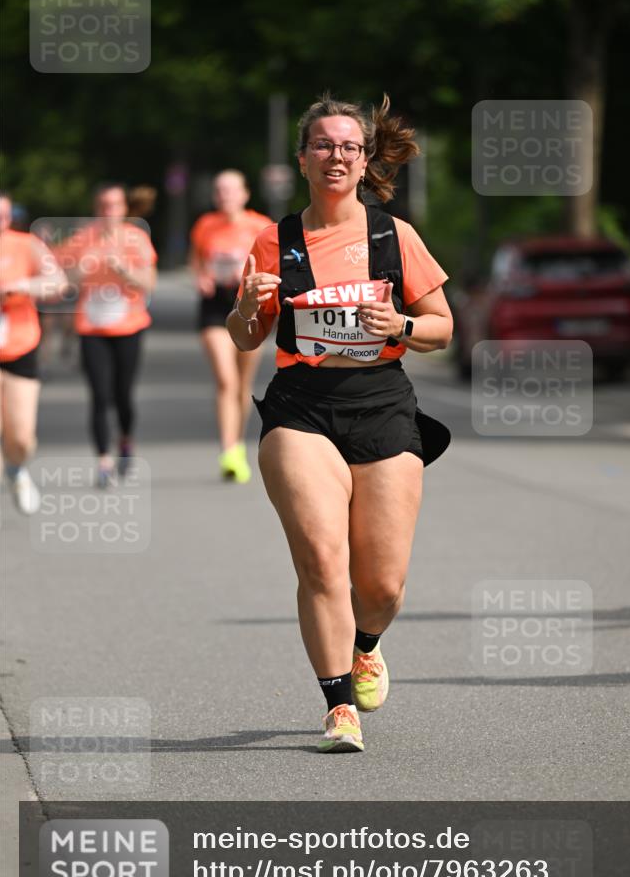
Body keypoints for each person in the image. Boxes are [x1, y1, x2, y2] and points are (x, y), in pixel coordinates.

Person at [228, 94, 453, 753]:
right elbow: (246, 339)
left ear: (364, 160)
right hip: (300, 408)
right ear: (303, 159)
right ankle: (336, 706)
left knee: (381, 585)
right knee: (323, 561)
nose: (335, 156)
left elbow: (441, 327)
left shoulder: (393, 236)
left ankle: (365, 645)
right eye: (322, 145)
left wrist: (403, 326)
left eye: (348, 147)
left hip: (382, 404)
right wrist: (246, 306)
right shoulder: (276, 239)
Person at [56, 184, 157, 487]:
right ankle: (103, 461)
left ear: (124, 209)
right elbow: (64, 282)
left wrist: (123, 269)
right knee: (99, 395)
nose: (108, 212)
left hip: (129, 326)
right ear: (96, 208)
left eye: (114, 206)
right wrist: (81, 269)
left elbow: (148, 284)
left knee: (122, 394)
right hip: (91, 327)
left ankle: (125, 441)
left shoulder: (136, 239)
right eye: (103, 206)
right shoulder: (81, 238)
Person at [189, 170, 271, 482]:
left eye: (230, 190)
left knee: (242, 382)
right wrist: (201, 275)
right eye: (219, 191)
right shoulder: (205, 225)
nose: (224, 196)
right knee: (226, 379)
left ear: (245, 194)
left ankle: (237, 446)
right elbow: (195, 260)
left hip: (249, 305)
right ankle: (228, 449)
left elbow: (272, 266)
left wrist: (250, 277)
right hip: (214, 305)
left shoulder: (260, 225)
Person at [0, 194, 67, 512]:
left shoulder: (27, 245)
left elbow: (58, 282)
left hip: (20, 346)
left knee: (21, 437)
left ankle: (16, 469)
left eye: (3, 215)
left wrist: (25, 286)